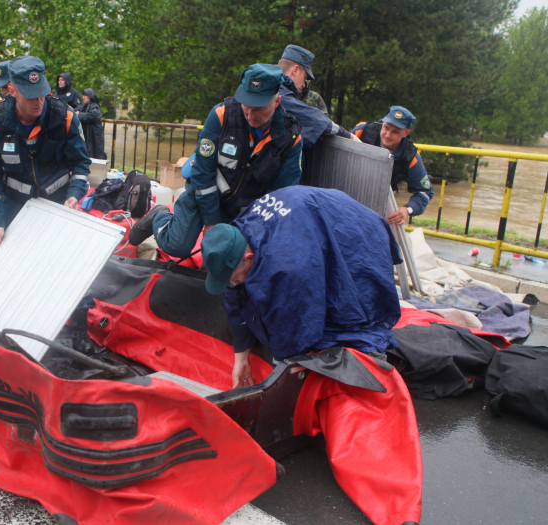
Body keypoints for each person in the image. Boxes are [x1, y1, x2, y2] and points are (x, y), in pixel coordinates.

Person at [201, 186, 422, 525]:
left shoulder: (288, 267)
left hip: (355, 235)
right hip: (312, 220)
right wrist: (241, 353)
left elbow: (296, 333)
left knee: (349, 315)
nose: (234, 282)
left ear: (247, 258)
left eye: (235, 275)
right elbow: (237, 294)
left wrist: (283, 382)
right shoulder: (237, 232)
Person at [128, 64, 303, 258]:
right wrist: (211, 221)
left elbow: (281, 196)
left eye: (259, 109)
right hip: (205, 190)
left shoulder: (290, 139)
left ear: (277, 101)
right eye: (246, 105)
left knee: (229, 257)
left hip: (244, 207)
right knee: (177, 246)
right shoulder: (222, 115)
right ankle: (159, 216)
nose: (251, 116)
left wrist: (257, 232)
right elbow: (202, 171)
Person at [0, 56, 91, 252]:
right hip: (14, 205)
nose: (38, 102)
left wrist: (74, 194)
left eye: (41, 93)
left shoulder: (65, 118)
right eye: (30, 95)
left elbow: (80, 163)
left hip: (58, 204)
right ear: (12, 91)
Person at [353, 106, 434, 225]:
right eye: (386, 127)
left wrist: (408, 210)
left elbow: (425, 193)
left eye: (395, 131)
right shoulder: (361, 131)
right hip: (345, 193)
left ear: (406, 133)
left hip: (377, 206)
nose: (388, 134)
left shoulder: (411, 157)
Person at [277, 45, 357, 143]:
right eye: (305, 78)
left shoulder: (270, 84)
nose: (303, 84)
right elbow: (316, 120)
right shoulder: (280, 93)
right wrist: (348, 136)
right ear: (295, 70)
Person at [78, 88, 106, 160]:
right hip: (86, 133)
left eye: (85, 95)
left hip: (94, 135)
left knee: (95, 153)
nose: (83, 97)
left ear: (90, 96)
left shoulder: (95, 106)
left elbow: (93, 116)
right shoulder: (83, 106)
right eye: (83, 95)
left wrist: (79, 115)